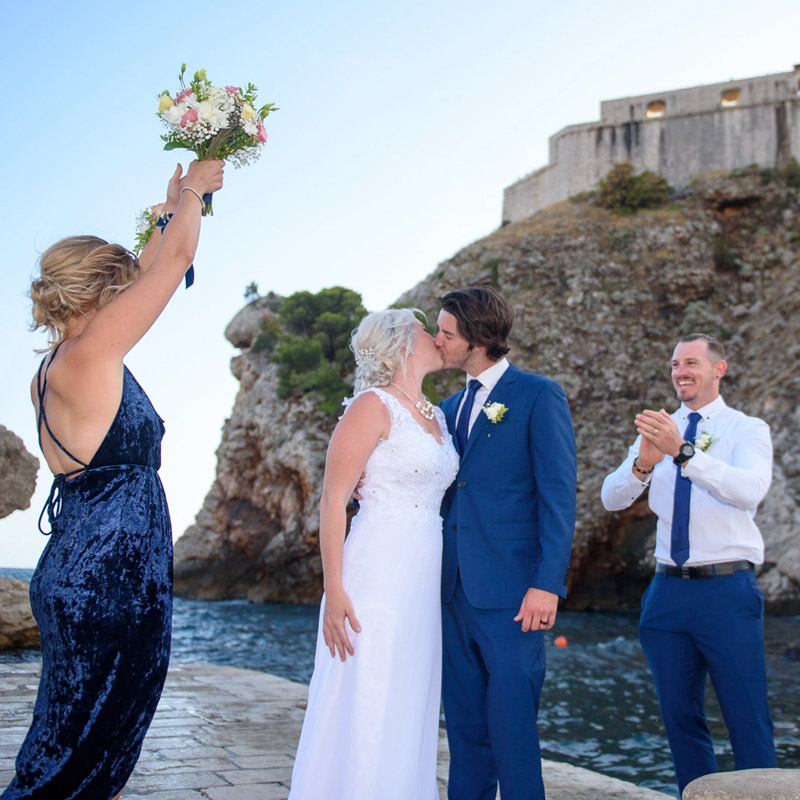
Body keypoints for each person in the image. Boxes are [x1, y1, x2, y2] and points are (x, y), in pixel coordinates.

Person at [2, 159, 224, 800]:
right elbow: (173, 259)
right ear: (103, 295)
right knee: (78, 762)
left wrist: (168, 209)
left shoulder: (58, 364)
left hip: (83, 567)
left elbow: (159, 263)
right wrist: (194, 194)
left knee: (75, 747)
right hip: (108, 576)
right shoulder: (94, 354)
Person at [288, 308, 459, 800]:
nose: (438, 338)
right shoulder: (370, 406)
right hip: (376, 568)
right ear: (404, 344)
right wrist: (334, 589)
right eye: (429, 331)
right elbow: (333, 500)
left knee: (408, 694)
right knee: (367, 689)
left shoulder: (438, 415)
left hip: (422, 576)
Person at [601, 333, 776, 795]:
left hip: (727, 589)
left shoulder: (747, 428)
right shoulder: (658, 429)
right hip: (666, 594)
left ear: (719, 369)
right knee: (680, 718)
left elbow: (749, 490)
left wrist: (684, 452)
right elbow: (611, 497)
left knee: (746, 717)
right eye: (676, 363)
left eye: (692, 362)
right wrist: (643, 462)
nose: (681, 371)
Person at [434, 286, 577, 800]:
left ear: (476, 340)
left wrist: (547, 586)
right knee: (467, 736)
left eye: (446, 333)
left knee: (513, 734)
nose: (438, 340)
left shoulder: (539, 395)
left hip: (516, 596)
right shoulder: (446, 407)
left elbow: (559, 497)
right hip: (451, 592)